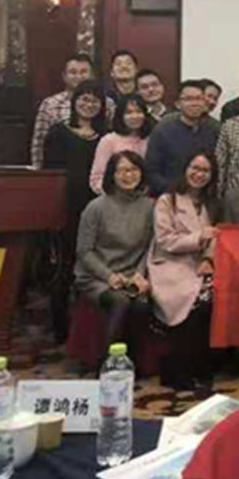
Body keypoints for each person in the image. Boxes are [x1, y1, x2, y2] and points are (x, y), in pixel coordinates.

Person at [148, 150, 220, 390]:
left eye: (205, 170)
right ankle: (181, 369)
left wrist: (208, 258)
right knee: (197, 300)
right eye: (195, 168)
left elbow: (216, 237)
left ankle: (199, 365)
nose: (199, 174)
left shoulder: (212, 203)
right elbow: (165, 240)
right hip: (170, 264)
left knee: (213, 297)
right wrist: (198, 237)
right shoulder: (167, 200)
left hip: (201, 264)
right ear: (185, 169)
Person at [43, 80, 109, 342]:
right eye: (84, 99)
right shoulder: (58, 132)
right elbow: (49, 174)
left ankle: (88, 330)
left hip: (97, 208)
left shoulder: (105, 136)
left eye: (95, 100)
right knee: (66, 265)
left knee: (95, 265)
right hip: (65, 208)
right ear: (74, 102)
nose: (89, 105)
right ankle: (60, 329)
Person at [74, 150, 155, 350]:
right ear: (112, 175)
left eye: (134, 170)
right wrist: (108, 276)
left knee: (142, 305)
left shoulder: (150, 207)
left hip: (131, 274)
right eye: (122, 171)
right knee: (120, 301)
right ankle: (108, 362)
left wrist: (140, 273)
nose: (129, 175)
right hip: (97, 276)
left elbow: (150, 246)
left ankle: (133, 362)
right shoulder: (96, 207)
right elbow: (84, 251)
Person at [145, 80, 219, 196]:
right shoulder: (163, 129)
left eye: (199, 98)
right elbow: (152, 171)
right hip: (169, 195)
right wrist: (173, 194)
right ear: (178, 104)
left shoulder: (214, 128)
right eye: (188, 99)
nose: (194, 103)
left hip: (204, 196)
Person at [31, 52, 95, 167]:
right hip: (60, 169)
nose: (78, 77)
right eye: (73, 72)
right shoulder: (50, 104)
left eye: (84, 72)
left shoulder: (107, 104)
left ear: (92, 75)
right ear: (64, 76)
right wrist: (39, 172)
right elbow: (39, 143)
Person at [89, 94, 152, 194]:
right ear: (120, 116)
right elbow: (96, 179)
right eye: (129, 112)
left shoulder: (151, 139)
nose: (134, 116)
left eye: (139, 111)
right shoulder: (108, 141)